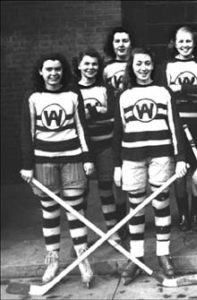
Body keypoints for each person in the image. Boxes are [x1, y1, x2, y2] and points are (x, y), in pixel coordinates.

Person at [112, 47, 188, 280]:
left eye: (147, 63)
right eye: (138, 64)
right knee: (135, 208)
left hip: (161, 156)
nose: (143, 68)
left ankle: (163, 254)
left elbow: (176, 127)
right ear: (131, 67)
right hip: (132, 157)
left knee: (161, 203)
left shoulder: (164, 92)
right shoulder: (124, 95)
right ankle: (136, 257)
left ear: (153, 66)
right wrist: (117, 165)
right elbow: (118, 133)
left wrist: (180, 158)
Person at [20, 53, 94, 286]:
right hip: (44, 162)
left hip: (72, 159)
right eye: (49, 69)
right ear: (41, 72)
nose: (54, 73)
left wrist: (87, 157)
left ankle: (83, 259)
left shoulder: (73, 94)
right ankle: (53, 261)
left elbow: (82, 128)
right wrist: (27, 165)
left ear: (63, 71)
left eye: (58, 69)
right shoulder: (33, 97)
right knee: (50, 212)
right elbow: (27, 133)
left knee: (75, 211)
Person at [158, 25, 197, 232]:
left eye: (188, 41)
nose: (185, 45)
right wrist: (192, 93)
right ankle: (183, 215)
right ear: (174, 43)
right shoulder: (166, 66)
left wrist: (182, 89)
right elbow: (164, 94)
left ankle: (196, 213)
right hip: (176, 124)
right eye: (181, 41)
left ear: (194, 43)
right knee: (179, 172)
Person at [72, 48, 125, 242]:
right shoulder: (72, 89)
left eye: (94, 64)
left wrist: (101, 112)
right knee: (81, 191)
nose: (90, 67)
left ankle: (112, 232)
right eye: (86, 63)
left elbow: (114, 114)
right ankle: (81, 237)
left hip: (104, 145)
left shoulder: (105, 88)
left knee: (106, 188)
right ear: (79, 65)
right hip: (82, 148)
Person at [102, 26, 132, 228]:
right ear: (112, 45)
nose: (121, 44)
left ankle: (134, 216)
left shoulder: (138, 64)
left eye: (125, 40)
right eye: (117, 41)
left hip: (133, 122)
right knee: (117, 172)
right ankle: (121, 220)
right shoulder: (106, 69)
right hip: (114, 124)